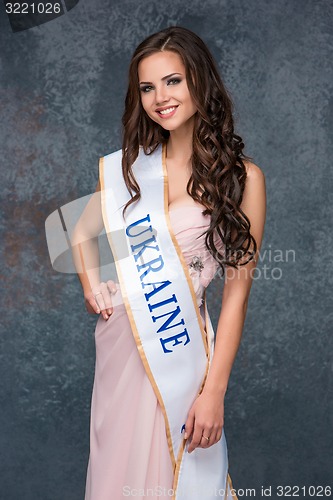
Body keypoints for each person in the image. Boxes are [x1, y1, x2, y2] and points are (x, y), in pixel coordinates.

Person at [72, 26, 266, 500]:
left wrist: (214, 391)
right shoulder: (131, 169)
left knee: (182, 473)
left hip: (177, 350)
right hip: (120, 349)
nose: (160, 97)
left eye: (173, 81)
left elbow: (237, 295)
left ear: (200, 81)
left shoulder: (244, 180)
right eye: (147, 87)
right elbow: (77, 232)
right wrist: (90, 285)